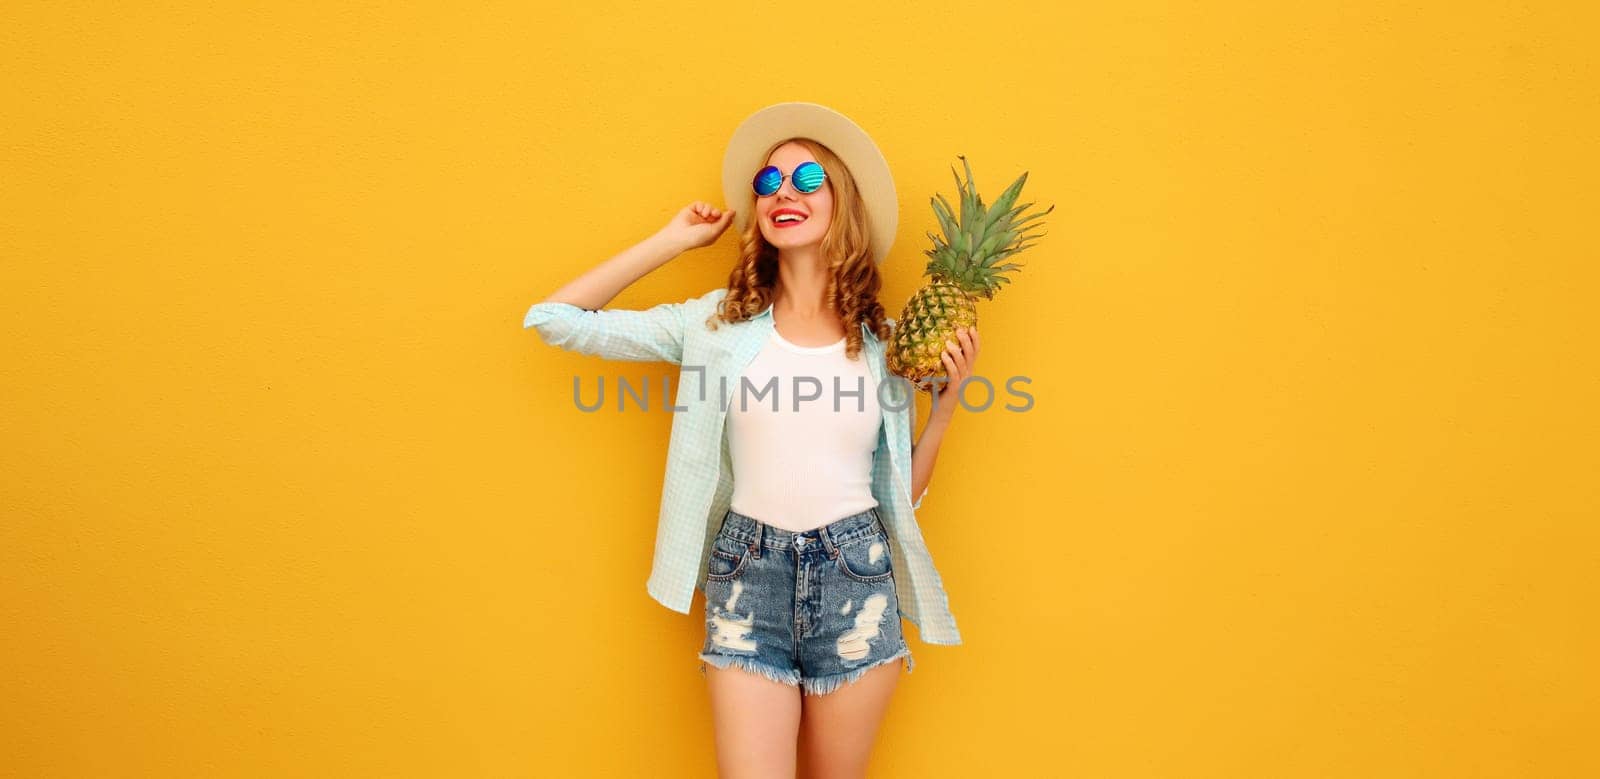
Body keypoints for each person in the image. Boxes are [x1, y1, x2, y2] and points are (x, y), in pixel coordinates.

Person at [523, 102, 976, 778]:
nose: (782, 192)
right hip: (746, 579)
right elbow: (555, 318)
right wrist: (673, 240)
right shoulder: (713, 324)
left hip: (858, 577)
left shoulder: (884, 343)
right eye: (768, 183)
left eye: (806, 177)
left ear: (842, 202)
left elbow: (898, 501)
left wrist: (943, 412)